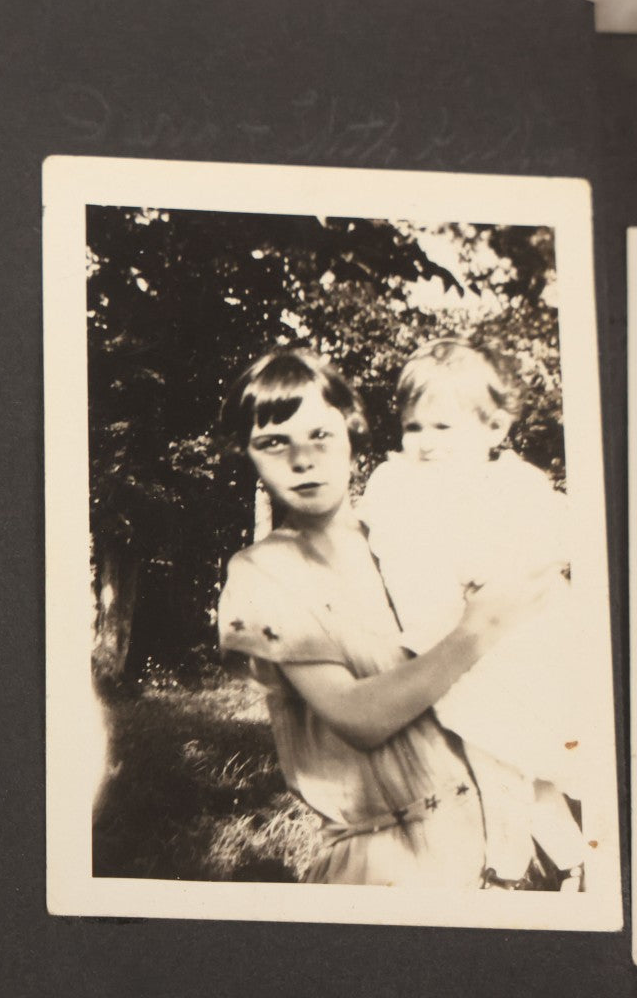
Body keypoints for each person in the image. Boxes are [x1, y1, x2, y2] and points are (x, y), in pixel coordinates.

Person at [213, 347, 555, 887]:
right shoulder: (261, 574)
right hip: (388, 863)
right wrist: (479, 629)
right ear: (247, 455)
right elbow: (360, 719)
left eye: (320, 435)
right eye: (273, 442)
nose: (302, 460)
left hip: (497, 838)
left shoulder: (402, 536)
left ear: (353, 434)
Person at [360, 337, 590, 887]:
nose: (425, 442)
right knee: (508, 757)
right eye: (413, 428)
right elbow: (371, 541)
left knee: (499, 753)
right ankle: (574, 858)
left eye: (443, 428)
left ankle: (506, 869)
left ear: (494, 429)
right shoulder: (398, 486)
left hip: (508, 648)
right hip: (439, 645)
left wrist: (495, 568)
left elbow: (557, 542)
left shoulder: (508, 487)